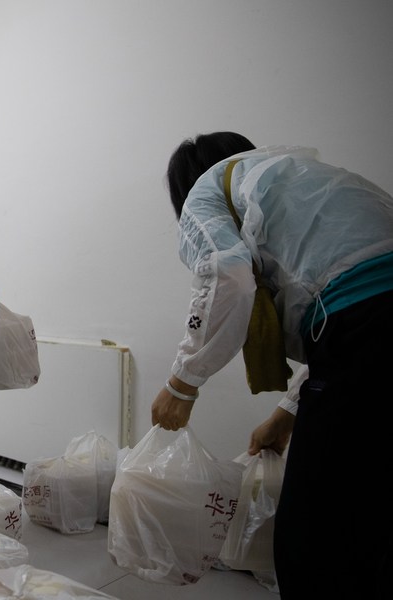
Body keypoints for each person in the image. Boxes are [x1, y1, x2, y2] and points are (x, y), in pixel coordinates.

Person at [151, 131, 393, 599]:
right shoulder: (306, 177)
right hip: (365, 333)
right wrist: (285, 415)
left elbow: (227, 276)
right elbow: (349, 317)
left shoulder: (208, 188)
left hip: (363, 330)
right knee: (372, 509)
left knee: (314, 530)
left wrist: (182, 384)